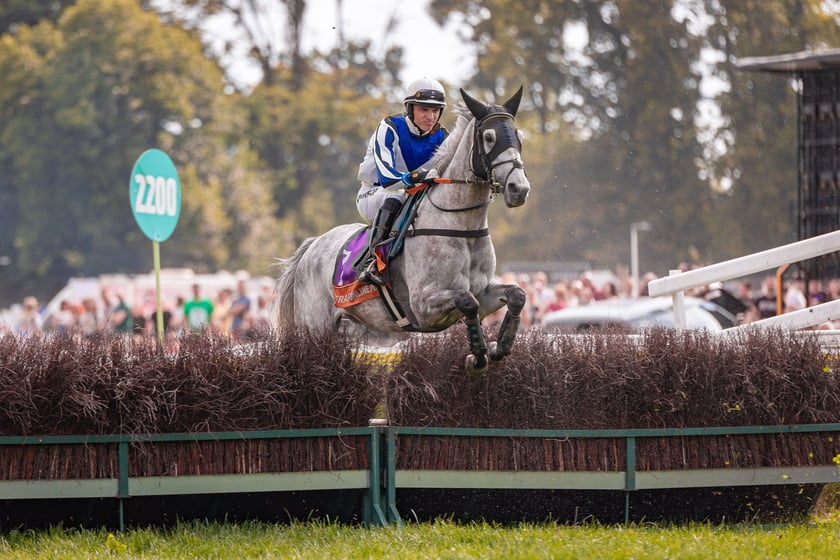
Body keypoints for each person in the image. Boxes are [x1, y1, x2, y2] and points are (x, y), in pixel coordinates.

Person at [354, 77, 449, 285]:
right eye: (424, 110)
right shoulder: (389, 127)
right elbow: (388, 179)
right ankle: (372, 261)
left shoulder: (443, 137)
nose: (430, 116)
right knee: (398, 193)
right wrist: (417, 178)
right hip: (375, 194)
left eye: (435, 110)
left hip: (416, 197)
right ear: (410, 108)